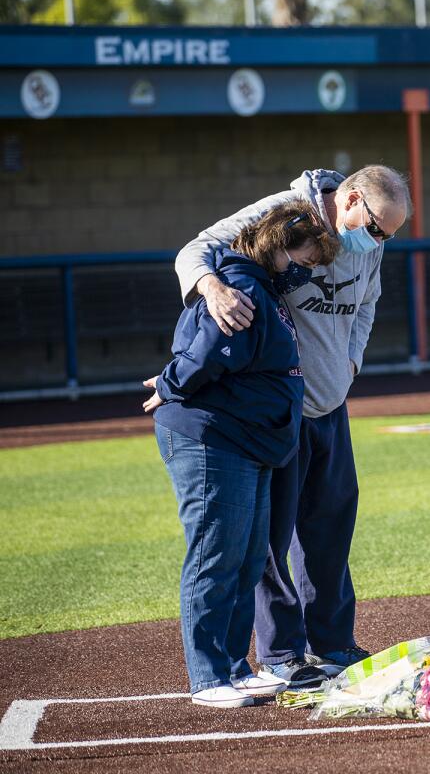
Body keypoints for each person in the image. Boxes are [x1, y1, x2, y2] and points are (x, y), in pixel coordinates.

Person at [174, 165, 410, 688]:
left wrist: (351, 364)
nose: (377, 242)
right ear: (349, 199)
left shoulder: (372, 243)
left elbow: (367, 306)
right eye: (374, 228)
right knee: (272, 539)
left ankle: (333, 643)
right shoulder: (282, 212)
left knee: (330, 532)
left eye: (389, 236)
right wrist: (211, 287)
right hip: (279, 408)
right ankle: (281, 652)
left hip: (332, 404)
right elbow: (192, 251)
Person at [144, 200, 339, 708]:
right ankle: (208, 678)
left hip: (247, 439)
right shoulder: (243, 286)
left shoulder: (263, 289)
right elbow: (208, 350)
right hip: (212, 437)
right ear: (281, 245)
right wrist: (169, 384)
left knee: (249, 555)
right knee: (216, 556)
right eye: (306, 256)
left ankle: (234, 666)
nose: (307, 268)